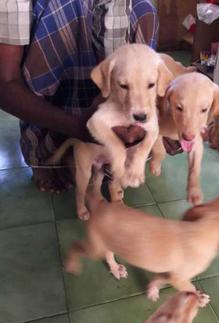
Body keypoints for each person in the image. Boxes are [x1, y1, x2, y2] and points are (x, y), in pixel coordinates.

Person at [0, 0, 180, 193]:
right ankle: (44, 149)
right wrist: (81, 128)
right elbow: (6, 83)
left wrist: (164, 116)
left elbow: (130, 60)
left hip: (109, 101)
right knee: (57, 10)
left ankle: (118, 143)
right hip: (63, 111)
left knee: (144, 9)